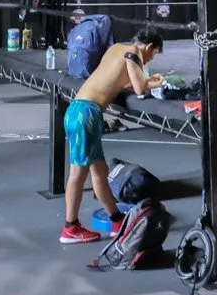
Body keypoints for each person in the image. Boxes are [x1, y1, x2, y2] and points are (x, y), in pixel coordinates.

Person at [60, 25, 167, 244]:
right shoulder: (134, 53)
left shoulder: (116, 48)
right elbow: (139, 89)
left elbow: (119, 82)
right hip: (86, 114)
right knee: (78, 175)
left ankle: (116, 220)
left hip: (78, 111)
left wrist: (145, 81)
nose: (148, 60)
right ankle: (70, 228)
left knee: (99, 171)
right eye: (152, 54)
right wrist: (155, 82)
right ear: (148, 46)